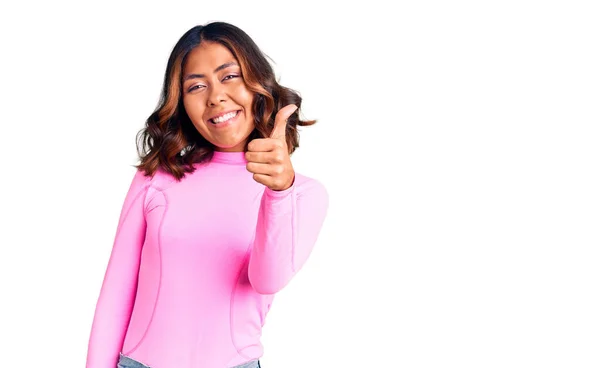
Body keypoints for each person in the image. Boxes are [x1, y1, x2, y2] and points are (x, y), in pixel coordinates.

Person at [85, 21, 329, 368]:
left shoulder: (301, 193)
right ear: (181, 102)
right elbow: (116, 291)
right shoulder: (158, 176)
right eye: (196, 86)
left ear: (256, 84)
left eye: (229, 77)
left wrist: (278, 193)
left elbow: (267, 279)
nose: (215, 96)